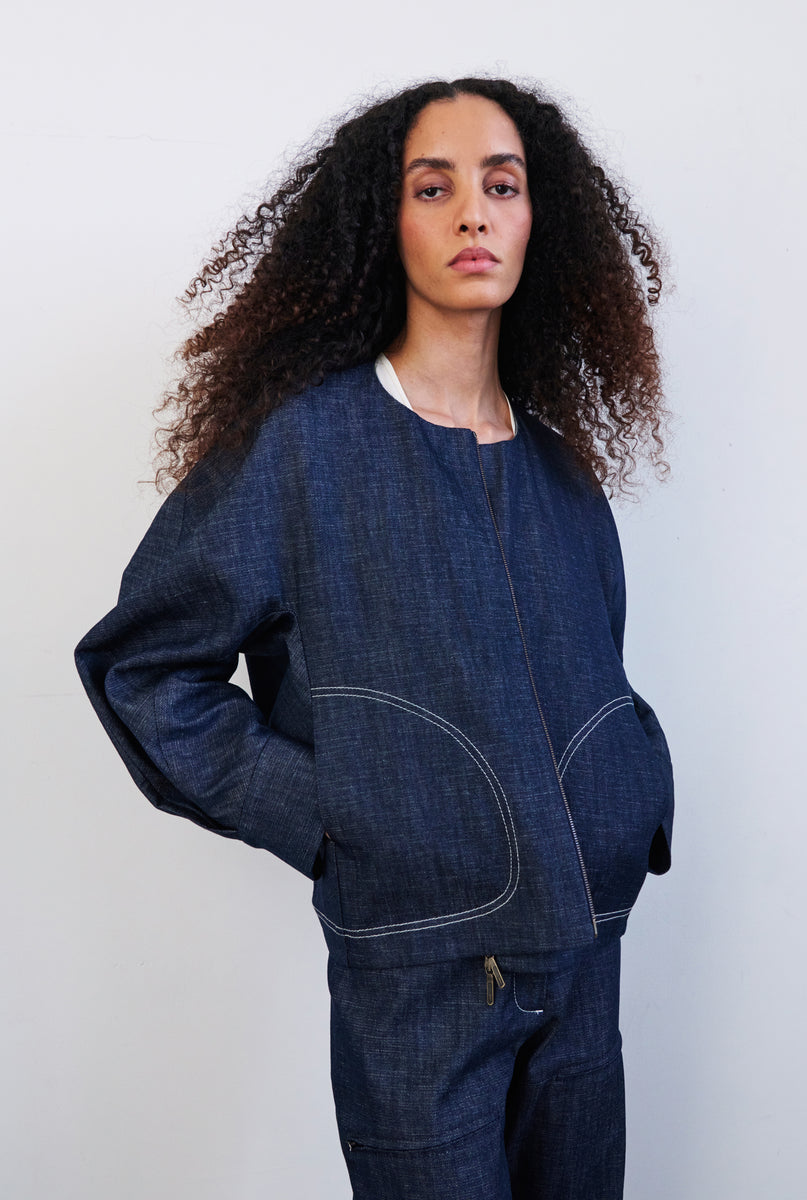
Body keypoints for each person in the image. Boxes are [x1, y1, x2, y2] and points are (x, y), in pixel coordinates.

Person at [75, 76, 674, 1199]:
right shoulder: (303, 450)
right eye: (432, 186)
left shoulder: (560, 470)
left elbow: (596, 665)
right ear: (379, 221)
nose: (472, 214)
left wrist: (628, 786)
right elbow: (146, 670)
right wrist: (333, 816)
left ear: (544, 219)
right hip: (420, 988)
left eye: (502, 184)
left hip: (590, 966)